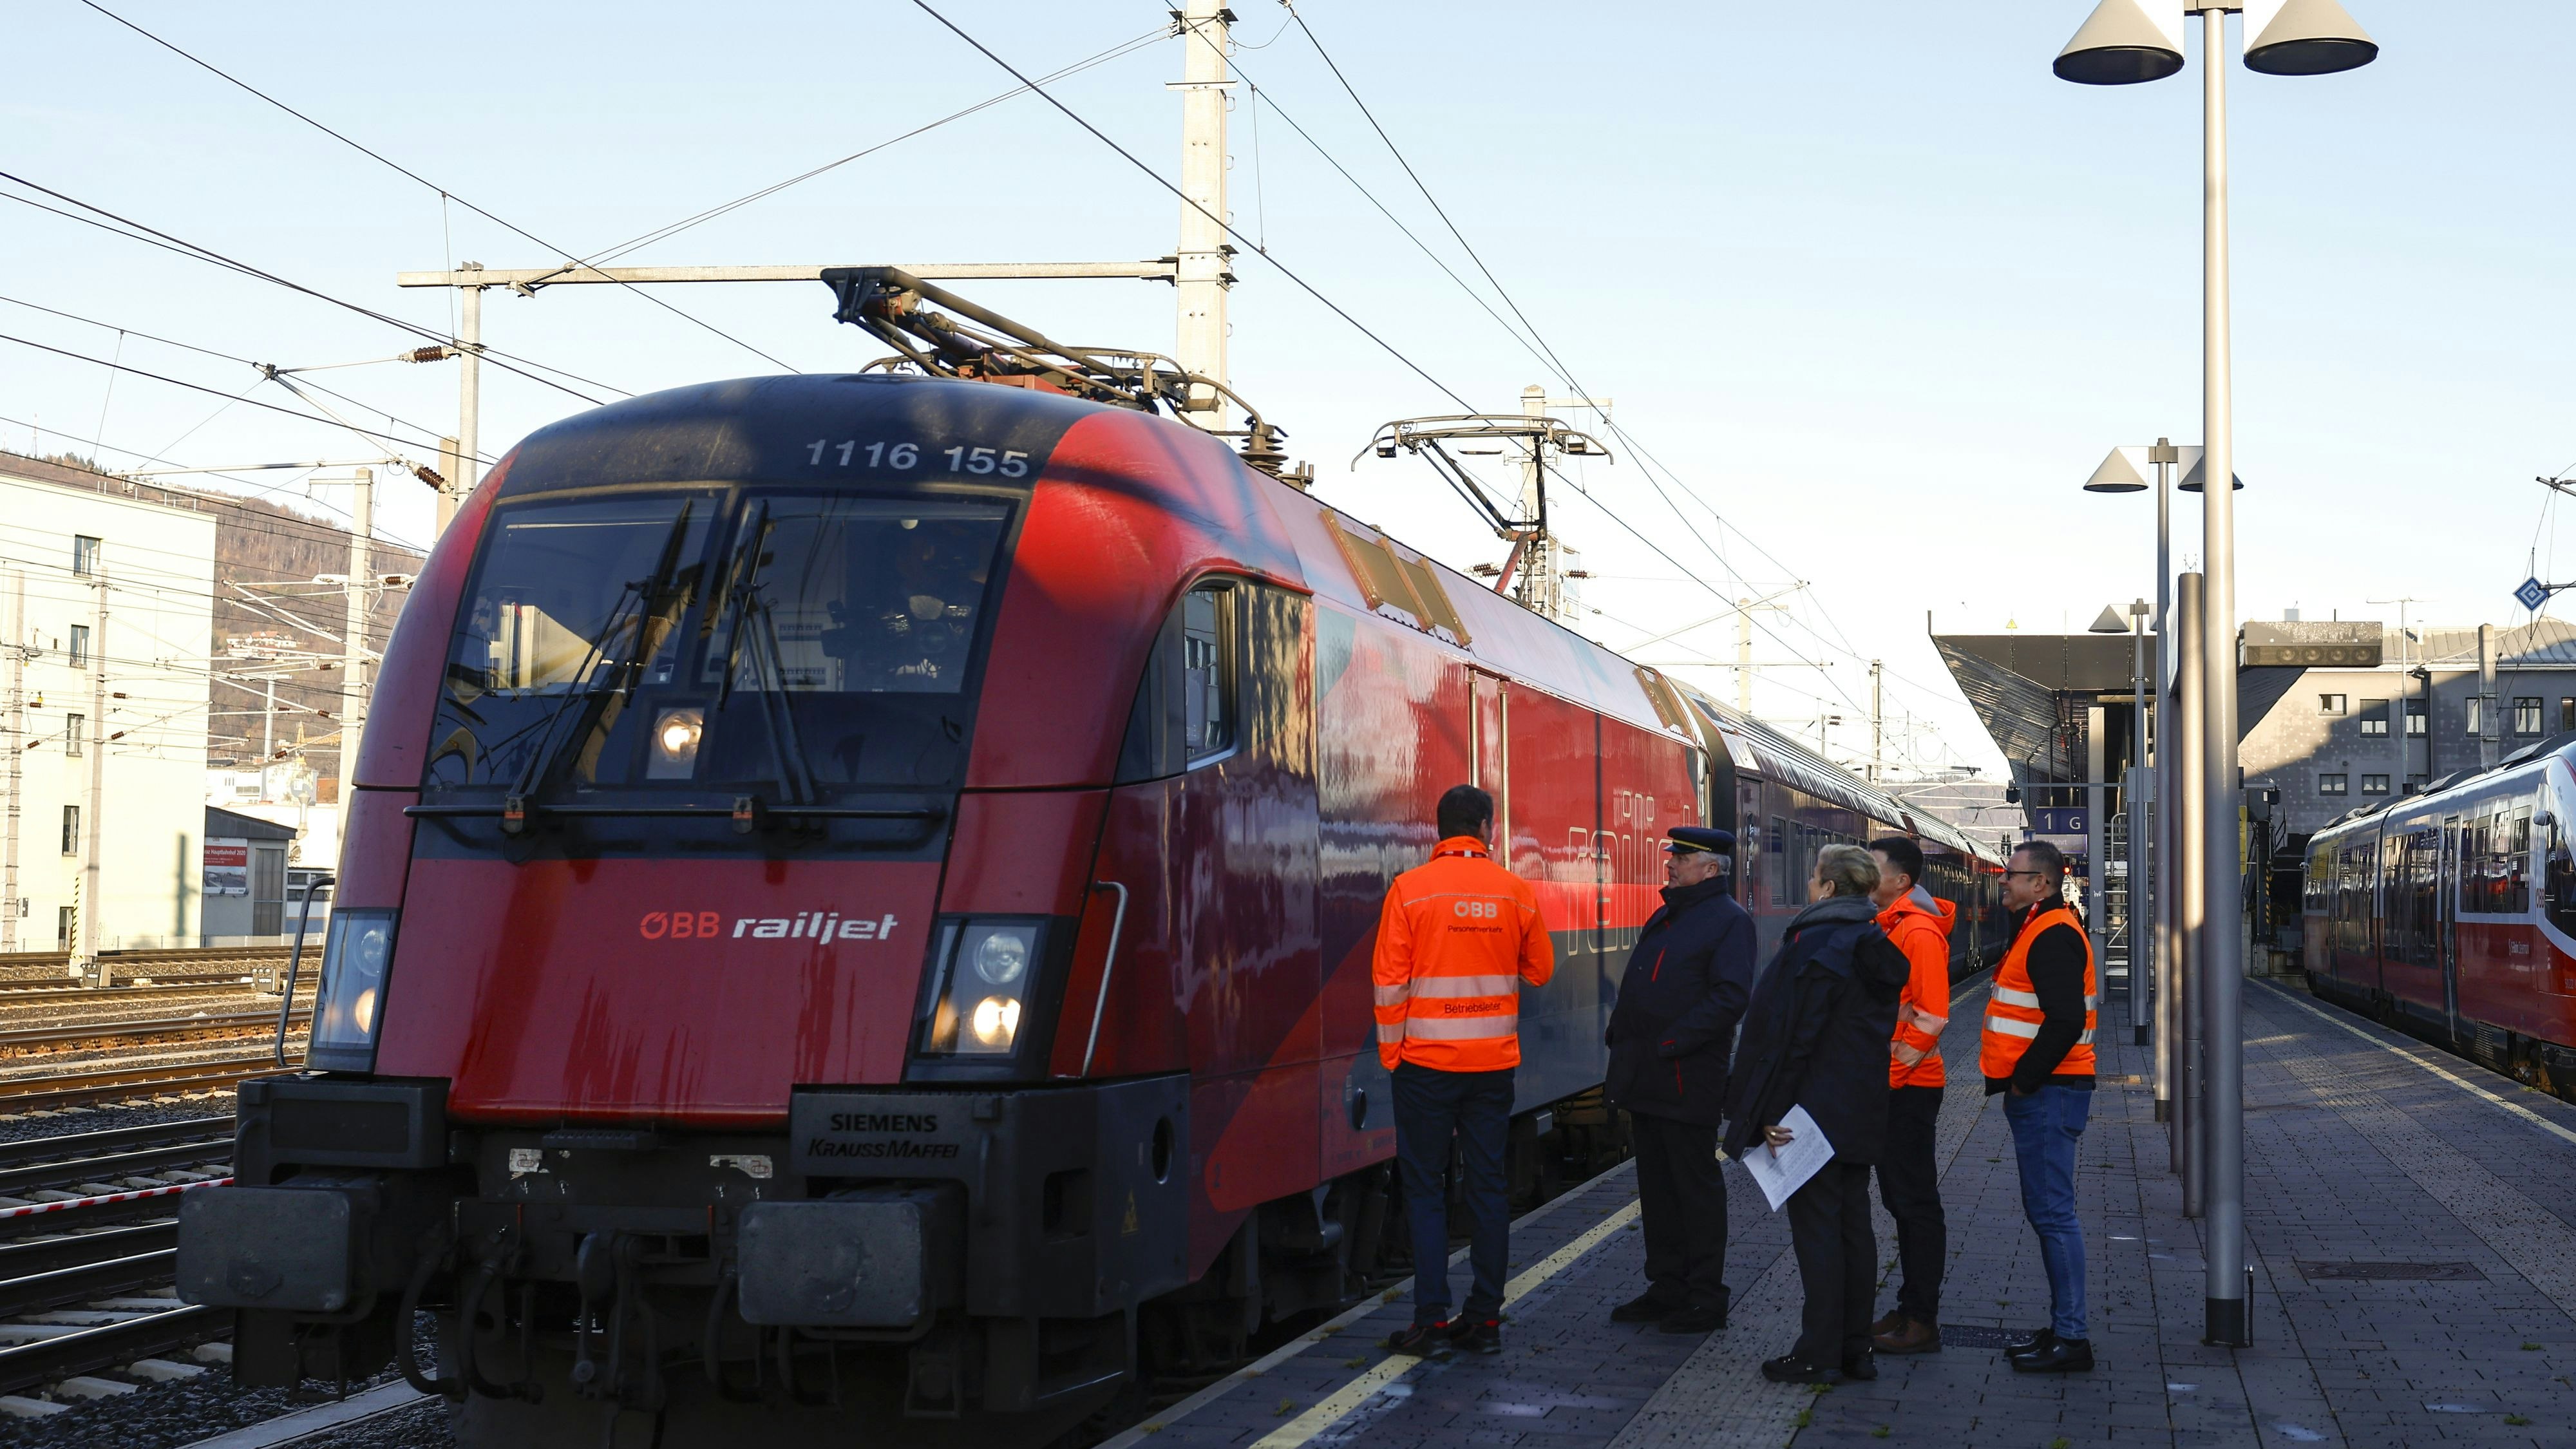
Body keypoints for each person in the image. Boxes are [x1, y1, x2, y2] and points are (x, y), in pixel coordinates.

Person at [1372, 784, 1555, 1358]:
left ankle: (1431, 1323)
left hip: (1424, 1066)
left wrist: (1392, 1055)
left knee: (1426, 1189)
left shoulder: (1409, 890)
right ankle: (1485, 1321)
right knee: (1488, 1187)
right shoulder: (1515, 892)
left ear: (1440, 830)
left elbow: (1389, 984)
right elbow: (1541, 970)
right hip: (1492, 1067)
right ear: (1484, 830)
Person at [1723, 844, 1909, 1385]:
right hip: (1860, 1105)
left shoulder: (1817, 945)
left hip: (1811, 1112)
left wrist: (1769, 1111)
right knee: (1854, 1228)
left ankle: (1819, 1354)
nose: (1808, 886)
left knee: (1819, 1233)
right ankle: (1855, 1350)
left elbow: (1791, 1039)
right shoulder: (1873, 942)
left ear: (1828, 888)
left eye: (1812, 878)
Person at [1604, 826, 1757, 1335]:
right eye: (1674, 856)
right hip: (1647, 1076)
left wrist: (1672, 1042)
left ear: (1710, 868)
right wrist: (1622, 1034)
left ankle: (1705, 1298)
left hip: (1686, 1077)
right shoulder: (1669, 915)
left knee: (1695, 1190)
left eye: (1682, 858)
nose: (1671, 863)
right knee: (1657, 1189)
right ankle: (1666, 1287)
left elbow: (1730, 997)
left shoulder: (1729, 921)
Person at [1985, 838, 2099, 1375]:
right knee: (2049, 1213)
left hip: (2050, 1092)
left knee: (2054, 1215)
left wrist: (2023, 1083)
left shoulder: (2052, 933)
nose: (2003, 880)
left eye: (2012, 874)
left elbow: (2066, 1019)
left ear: (2041, 883)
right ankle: (2063, 1328)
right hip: (2049, 1091)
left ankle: (2072, 1339)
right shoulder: (2041, 925)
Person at [1864, 835, 1955, 1356]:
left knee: (1915, 1203)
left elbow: (1931, 1017)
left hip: (1910, 1088)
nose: (1864, 873)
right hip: (1899, 1085)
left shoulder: (1916, 932)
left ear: (1901, 881)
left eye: (1873, 867)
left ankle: (1922, 1320)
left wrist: (1891, 1078)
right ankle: (1909, 1306)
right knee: (1901, 1200)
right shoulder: (1891, 925)